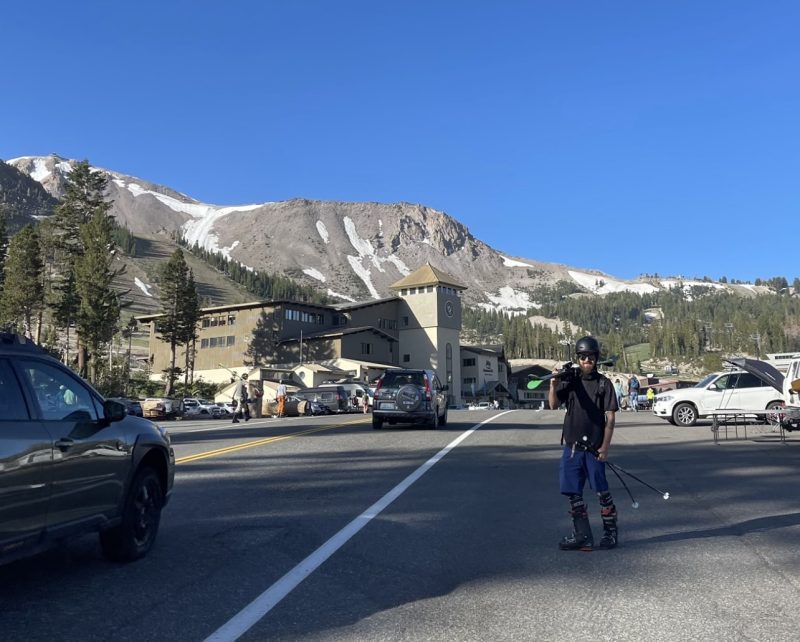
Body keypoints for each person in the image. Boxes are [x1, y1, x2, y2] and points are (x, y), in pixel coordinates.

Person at [548, 336, 619, 551]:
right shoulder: (570, 382)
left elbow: (611, 418)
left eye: (590, 356)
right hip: (572, 449)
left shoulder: (604, 384)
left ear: (596, 358)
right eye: (582, 356)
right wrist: (553, 383)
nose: (586, 360)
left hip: (594, 449)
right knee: (572, 492)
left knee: (601, 491)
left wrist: (605, 447)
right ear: (578, 359)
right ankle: (583, 535)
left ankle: (610, 533)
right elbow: (553, 405)